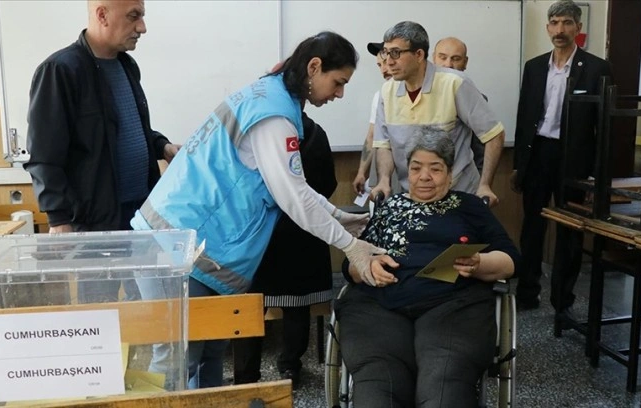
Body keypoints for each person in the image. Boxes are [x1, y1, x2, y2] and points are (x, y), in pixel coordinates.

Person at [131, 32, 386, 389]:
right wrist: (349, 245)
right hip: (180, 244)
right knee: (178, 359)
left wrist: (339, 217)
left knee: (210, 351)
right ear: (314, 67)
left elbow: (292, 185)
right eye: (338, 82)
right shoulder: (274, 115)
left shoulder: (271, 96)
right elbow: (292, 196)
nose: (340, 93)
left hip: (196, 243)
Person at [336, 128, 519, 407]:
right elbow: (350, 263)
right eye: (416, 168)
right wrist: (367, 266)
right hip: (379, 307)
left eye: (435, 169)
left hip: (453, 306)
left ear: (450, 173)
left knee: (444, 384)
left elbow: (511, 260)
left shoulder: (469, 206)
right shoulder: (389, 207)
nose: (424, 176)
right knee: (378, 385)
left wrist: (480, 263)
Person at [24, 0, 179, 303]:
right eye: (134, 16)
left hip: (140, 217)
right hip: (95, 225)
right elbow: (44, 155)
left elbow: (128, 129)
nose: (142, 27)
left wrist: (162, 146)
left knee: (145, 307)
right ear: (102, 15)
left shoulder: (126, 65)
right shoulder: (61, 70)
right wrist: (58, 219)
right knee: (98, 312)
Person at [511, 0, 612, 315]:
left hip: (574, 158)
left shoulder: (596, 68)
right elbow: (524, 115)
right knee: (532, 226)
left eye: (567, 22)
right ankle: (527, 293)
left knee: (569, 230)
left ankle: (562, 300)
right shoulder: (534, 66)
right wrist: (518, 165)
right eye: (554, 22)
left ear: (578, 28)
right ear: (547, 27)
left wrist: (596, 174)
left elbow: (604, 126)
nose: (560, 29)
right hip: (538, 153)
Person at [231, 111, 337, 389]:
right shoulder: (316, 133)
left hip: (259, 231)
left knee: (250, 306)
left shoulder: (257, 133)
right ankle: (290, 367)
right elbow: (329, 184)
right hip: (302, 230)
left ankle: (246, 376)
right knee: (297, 304)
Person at [371, 21, 505, 206]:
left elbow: (494, 134)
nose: (388, 61)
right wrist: (384, 180)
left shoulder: (455, 83)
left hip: (459, 193)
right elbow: (384, 145)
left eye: (396, 53)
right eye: (386, 53)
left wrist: (485, 185)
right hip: (413, 195)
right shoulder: (387, 91)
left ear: (419, 55)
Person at [432, 36, 486, 174]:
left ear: (465, 62)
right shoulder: (416, 95)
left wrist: (482, 182)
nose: (448, 64)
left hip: (459, 177)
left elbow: (480, 152)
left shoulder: (475, 100)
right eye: (442, 57)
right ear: (433, 59)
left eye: (455, 59)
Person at [352, 41, 393, 195]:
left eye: (386, 62)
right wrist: (361, 172)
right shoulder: (381, 95)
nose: (384, 69)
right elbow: (372, 134)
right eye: (379, 65)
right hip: (386, 169)